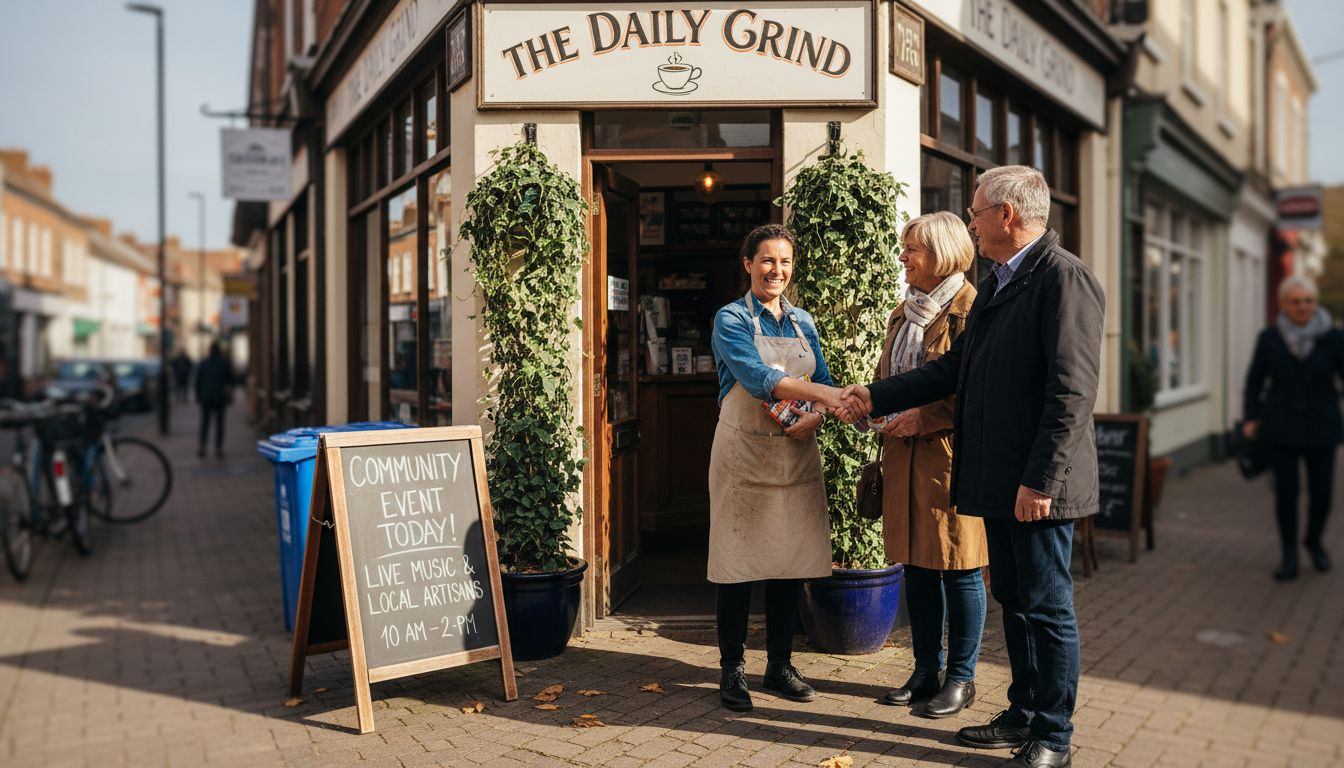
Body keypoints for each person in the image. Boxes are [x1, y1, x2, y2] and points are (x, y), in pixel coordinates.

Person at [840, 165, 1104, 768]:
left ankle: (1054, 735)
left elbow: (1072, 394)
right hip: (999, 480)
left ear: (1007, 216)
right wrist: (875, 395)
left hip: (1036, 484)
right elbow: (951, 372)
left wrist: (1042, 479)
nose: (971, 223)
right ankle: (1022, 712)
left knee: (1048, 606)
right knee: (1015, 598)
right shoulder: (998, 283)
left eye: (976, 211)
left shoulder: (1064, 279)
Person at [708, 223, 849, 713]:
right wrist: (826, 397)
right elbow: (759, 377)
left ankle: (779, 666)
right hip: (742, 456)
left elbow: (824, 380)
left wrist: (817, 413)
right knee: (737, 564)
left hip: (794, 454)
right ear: (748, 265)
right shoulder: (731, 320)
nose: (777, 270)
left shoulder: (802, 322)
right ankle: (731, 670)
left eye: (785, 262)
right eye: (767, 260)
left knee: (789, 563)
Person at [871, 212, 987, 719]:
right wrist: (873, 408)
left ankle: (961, 678)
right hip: (902, 455)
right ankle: (925, 670)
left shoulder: (972, 310)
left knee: (960, 568)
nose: (902, 257)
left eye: (911, 249)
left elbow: (980, 391)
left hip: (949, 457)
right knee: (915, 565)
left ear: (940, 253)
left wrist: (926, 416)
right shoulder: (903, 312)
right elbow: (887, 376)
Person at [1242, 275, 1341, 580]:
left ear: (1316, 303)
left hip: (1322, 426)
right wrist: (1251, 417)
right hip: (1281, 426)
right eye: (1296, 301)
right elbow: (1254, 381)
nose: (1303, 306)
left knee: (1322, 495)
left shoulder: (1333, 338)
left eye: (1308, 300)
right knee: (1287, 495)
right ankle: (1289, 555)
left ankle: (1313, 541)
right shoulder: (1270, 337)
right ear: (1284, 304)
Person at [195, 342, 232, 458]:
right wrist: (229, 396)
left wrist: (198, 396)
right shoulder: (224, 363)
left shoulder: (204, 363)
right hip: (219, 398)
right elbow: (230, 382)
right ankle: (218, 448)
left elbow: (198, 381)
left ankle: (203, 447)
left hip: (206, 398)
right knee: (219, 425)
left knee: (205, 424)